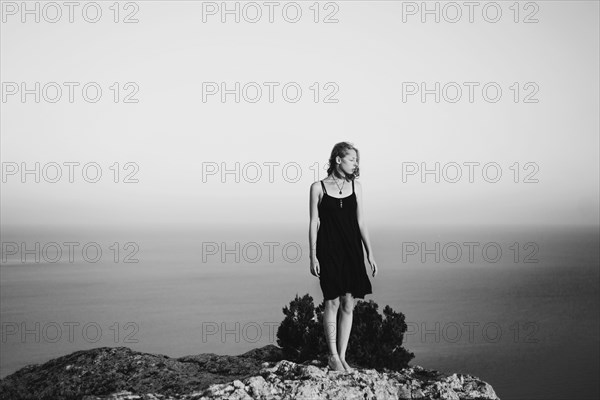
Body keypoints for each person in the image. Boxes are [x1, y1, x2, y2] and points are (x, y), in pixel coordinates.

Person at [308, 141, 378, 372]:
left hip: (352, 249)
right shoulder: (317, 188)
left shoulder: (357, 186)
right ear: (338, 159)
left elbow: (361, 221)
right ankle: (332, 356)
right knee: (332, 300)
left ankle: (343, 357)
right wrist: (312, 256)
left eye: (357, 160)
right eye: (352, 159)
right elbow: (313, 222)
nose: (355, 163)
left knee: (348, 303)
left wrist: (370, 253)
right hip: (328, 249)